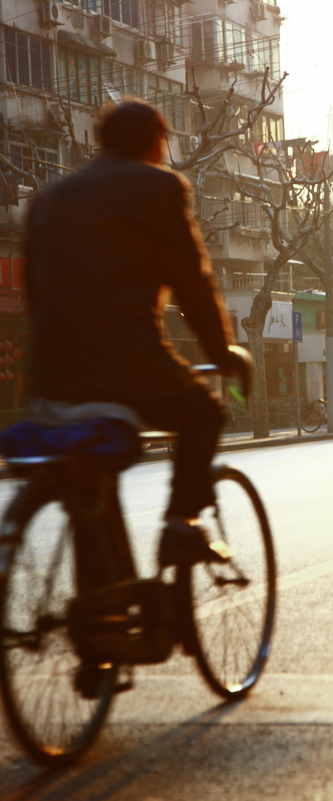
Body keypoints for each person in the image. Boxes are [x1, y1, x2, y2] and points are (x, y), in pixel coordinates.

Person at [25, 99, 250, 567]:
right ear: (155, 142)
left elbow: (35, 298)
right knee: (205, 413)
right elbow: (192, 282)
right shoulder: (157, 185)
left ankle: (105, 611)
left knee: (88, 478)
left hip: (50, 376)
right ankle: (179, 525)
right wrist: (223, 352)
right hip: (127, 364)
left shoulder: (48, 198)